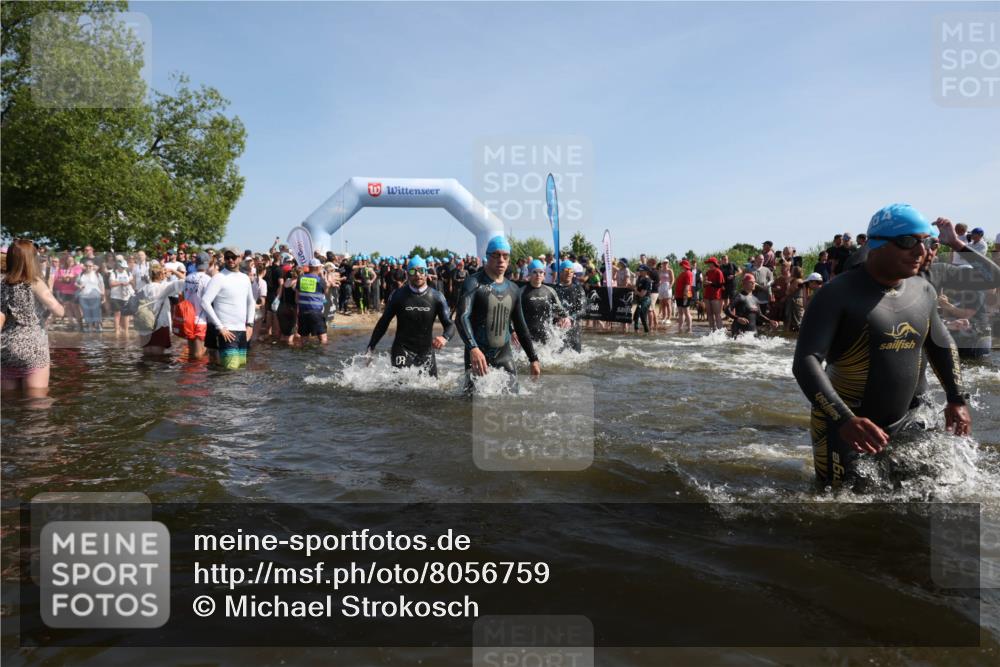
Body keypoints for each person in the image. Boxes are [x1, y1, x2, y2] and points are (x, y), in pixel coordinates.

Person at [792, 204, 970, 490]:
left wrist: (956, 398)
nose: (920, 251)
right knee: (839, 509)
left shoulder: (922, 290)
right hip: (845, 425)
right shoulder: (836, 294)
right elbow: (806, 361)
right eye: (907, 242)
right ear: (875, 245)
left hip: (909, 419)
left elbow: (940, 343)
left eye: (924, 241)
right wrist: (845, 420)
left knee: (923, 498)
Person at [455, 235, 540, 391]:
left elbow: (521, 326)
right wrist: (473, 348)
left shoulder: (513, 289)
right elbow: (461, 317)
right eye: (496, 255)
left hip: (504, 355)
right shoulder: (473, 283)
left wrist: (533, 359)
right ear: (488, 257)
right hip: (477, 355)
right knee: (470, 406)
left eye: (505, 256)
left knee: (514, 399)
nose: (501, 260)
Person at [367, 256, 455, 376]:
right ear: (407, 274)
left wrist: (444, 337)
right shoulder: (398, 295)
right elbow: (384, 322)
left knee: (431, 388)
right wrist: (371, 346)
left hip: (426, 351)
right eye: (413, 271)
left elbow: (449, 324)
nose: (418, 274)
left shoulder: (437, 297)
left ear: (426, 273)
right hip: (402, 349)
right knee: (401, 387)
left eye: (421, 270)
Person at [1, 240, 65, 397]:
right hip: (33, 348)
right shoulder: (35, 282)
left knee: (9, 403)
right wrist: (50, 288)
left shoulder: (2, 283)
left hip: (6, 348)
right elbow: (58, 311)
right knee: (37, 404)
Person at [200, 247, 255, 369]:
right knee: (231, 371)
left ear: (239, 258)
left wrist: (250, 325)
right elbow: (205, 302)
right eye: (227, 257)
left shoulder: (245, 278)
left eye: (233, 257)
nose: (230, 260)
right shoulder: (219, 277)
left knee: (241, 370)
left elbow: (251, 302)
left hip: (242, 331)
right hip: (227, 332)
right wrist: (220, 327)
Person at [134, 263, 184, 357]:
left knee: (146, 355)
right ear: (161, 275)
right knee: (159, 357)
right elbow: (185, 280)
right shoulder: (164, 287)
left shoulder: (143, 288)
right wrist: (173, 271)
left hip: (144, 323)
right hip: (160, 324)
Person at [518, 259, 571, 346]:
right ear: (530, 274)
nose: (538, 275)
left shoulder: (550, 291)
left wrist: (566, 318)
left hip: (546, 337)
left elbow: (560, 310)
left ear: (544, 274)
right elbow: (513, 315)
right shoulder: (521, 292)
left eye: (541, 272)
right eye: (535, 272)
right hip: (528, 337)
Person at [176, 252, 213, 359]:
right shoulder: (208, 280)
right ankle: (198, 375)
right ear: (207, 264)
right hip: (200, 319)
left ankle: (189, 373)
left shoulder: (188, 277)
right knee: (199, 355)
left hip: (188, 318)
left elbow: (182, 295)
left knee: (192, 352)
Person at [724, 273, 774, 337]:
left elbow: (759, 315)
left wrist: (770, 321)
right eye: (751, 282)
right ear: (744, 284)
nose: (754, 284)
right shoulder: (739, 296)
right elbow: (727, 310)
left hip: (753, 333)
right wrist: (738, 318)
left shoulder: (755, 299)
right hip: (740, 332)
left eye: (754, 282)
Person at [553, 259, 588, 350]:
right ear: (560, 272)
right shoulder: (554, 290)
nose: (568, 273)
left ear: (573, 274)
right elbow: (549, 309)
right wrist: (557, 318)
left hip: (573, 331)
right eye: (566, 271)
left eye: (571, 271)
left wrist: (570, 318)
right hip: (557, 330)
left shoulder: (578, 289)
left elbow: (583, 310)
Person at [296, 258, 329, 344]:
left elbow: (297, 297)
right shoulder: (320, 280)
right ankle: (323, 356)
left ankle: (302, 356)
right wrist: (323, 277)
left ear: (309, 267)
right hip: (315, 313)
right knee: (323, 338)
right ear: (318, 268)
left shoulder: (301, 279)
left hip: (303, 312)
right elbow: (326, 292)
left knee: (303, 339)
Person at [75, 260, 105, 332]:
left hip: (96, 296)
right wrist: (79, 286)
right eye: (87, 266)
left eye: (90, 266)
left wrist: (103, 295)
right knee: (86, 311)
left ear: (93, 266)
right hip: (84, 296)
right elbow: (75, 283)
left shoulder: (97, 274)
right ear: (84, 267)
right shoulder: (81, 274)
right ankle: (89, 327)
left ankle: (98, 326)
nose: (88, 267)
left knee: (96, 311)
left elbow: (102, 285)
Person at [108, 257, 134, 336]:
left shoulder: (128, 273)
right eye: (122, 267)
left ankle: (126, 331)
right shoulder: (113, 273)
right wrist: (121, 283)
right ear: (118, 266)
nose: (123, 269)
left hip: (126, 297)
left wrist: (129, 283)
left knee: (126, 315)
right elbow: (111, 284)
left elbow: (132, 281)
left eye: (124, 267)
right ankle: (117, 331)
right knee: (117, 314)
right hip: (115, 297)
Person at [703, 257, 726, 331]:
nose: (708, 265)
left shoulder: (718, 272)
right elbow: (705, 285)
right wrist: (705, 283)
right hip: (707, 295)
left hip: (716, 296)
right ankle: (712, 331)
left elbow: (720, 285)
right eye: (708, 263)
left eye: (709, 263)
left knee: (717, 314)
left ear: (713, 263)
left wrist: (711, 283)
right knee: (709, 314)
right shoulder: (707, 272)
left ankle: (720, 331)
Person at [673, 259, 694, 333]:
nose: (681, 266)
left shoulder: (688, 273)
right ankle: (680, 327)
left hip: (686, 294)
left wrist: (685, 296)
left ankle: (689, 328)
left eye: (682, 265)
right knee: (680, 312)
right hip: (679, 295)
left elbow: (688, 285)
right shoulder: (683, 273)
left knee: (686, 311)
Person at [632, 264, 653, 334]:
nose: (640, 272)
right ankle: (636, 331)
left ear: (646, 271)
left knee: (641, 314)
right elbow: (637, 288)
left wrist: (635, 290)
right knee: (636, 315)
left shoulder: (647, 280)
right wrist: (632, 287)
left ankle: (646, 331)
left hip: (646, 300)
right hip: (641, 300)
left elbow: (642, 294)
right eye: (639, 270)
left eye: (641, 271)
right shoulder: (640, 278)